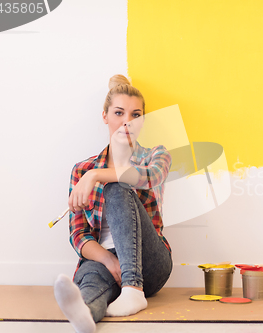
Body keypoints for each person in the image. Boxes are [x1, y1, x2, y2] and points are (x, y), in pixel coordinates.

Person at [53, 75, 173, 333]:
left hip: (151, 262)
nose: (127, 121)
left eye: (135, 114)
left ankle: (133, 289)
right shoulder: (81, 170)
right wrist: (107, 259)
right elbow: (78, 234)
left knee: (117, 186)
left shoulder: (156, 155)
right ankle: (84, 315)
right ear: (105, 116)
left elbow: (150, 177)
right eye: (119, 113)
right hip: (105, 259)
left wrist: (96, 176)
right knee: (91, 281)